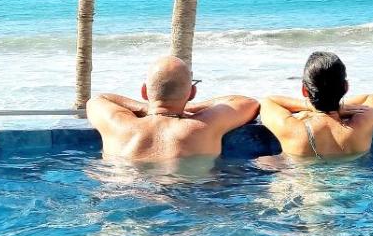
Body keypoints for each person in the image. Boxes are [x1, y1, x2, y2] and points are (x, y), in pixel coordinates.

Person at [86, 55, 259, 163]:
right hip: (188, 199)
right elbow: (248, 103)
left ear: (144, 91)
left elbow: (97, 100)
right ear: (192, 93)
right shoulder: (204, 125)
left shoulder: (118, 125)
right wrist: (191, 107)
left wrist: (148, 108)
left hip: (126, 195)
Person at [259, 51, 373, 160]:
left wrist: (310, 106)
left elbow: (269, 101)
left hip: (300, 178)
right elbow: (370, 98)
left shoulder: (291, 129)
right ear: (346, 87)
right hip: (352, 178)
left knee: (266, 162)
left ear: (304, 90)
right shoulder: (362, 125)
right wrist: (337, 108)